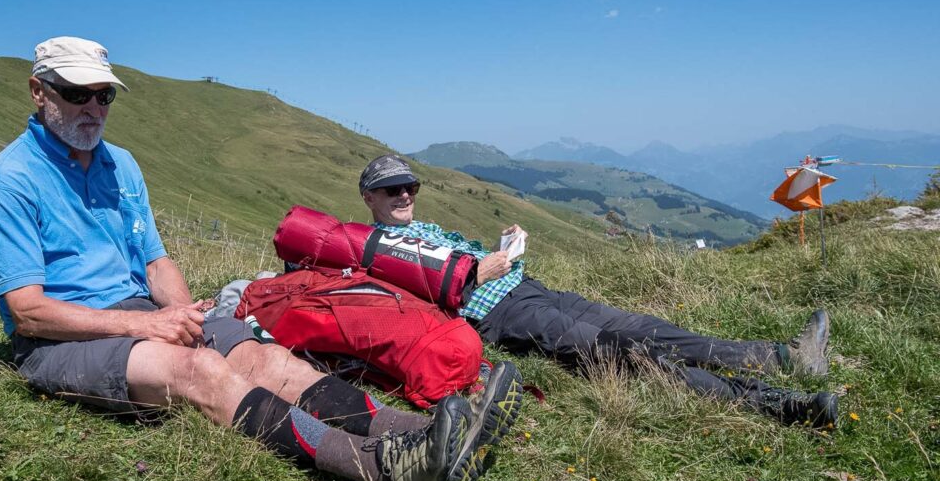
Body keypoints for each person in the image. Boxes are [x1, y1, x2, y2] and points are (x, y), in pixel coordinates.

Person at [0, 38, 509, 481]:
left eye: (103, 96)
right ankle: (381, 470)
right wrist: (151, 325)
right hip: (57, 339)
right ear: (39, 91)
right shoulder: (9, 180)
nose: (92, 108)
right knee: (199, 368)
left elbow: (156, 263)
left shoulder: (120, 164)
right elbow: (28, 312)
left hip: (139, 312)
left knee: (267, 358)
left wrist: (187, 316)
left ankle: (421, 434)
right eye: (75, 93)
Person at [359, 155, 840, 428]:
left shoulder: (428, 226)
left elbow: (463, 263)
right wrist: (481, 272)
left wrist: (503, 252)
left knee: (644, 326)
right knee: (623, 351)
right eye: (391, 190)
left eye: (410, 185)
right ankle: (777, 403)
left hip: (529, 288)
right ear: (369, 199)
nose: (405, 194)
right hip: (501, 315)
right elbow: (423, 300)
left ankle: (782, 357)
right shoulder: (374, 250)